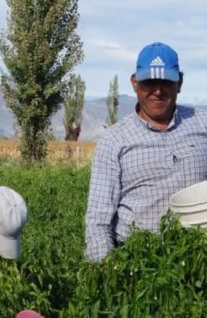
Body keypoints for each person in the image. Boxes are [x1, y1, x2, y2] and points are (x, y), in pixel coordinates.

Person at [85, 42, 207, 262]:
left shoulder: (202, 124)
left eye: (166, 82)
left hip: (199, 258)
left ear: (179, 83)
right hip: (138, 261)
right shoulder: (113, 141)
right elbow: (98, 219)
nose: (158, 91)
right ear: (134, 83)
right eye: (149, 82)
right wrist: (106, 273)